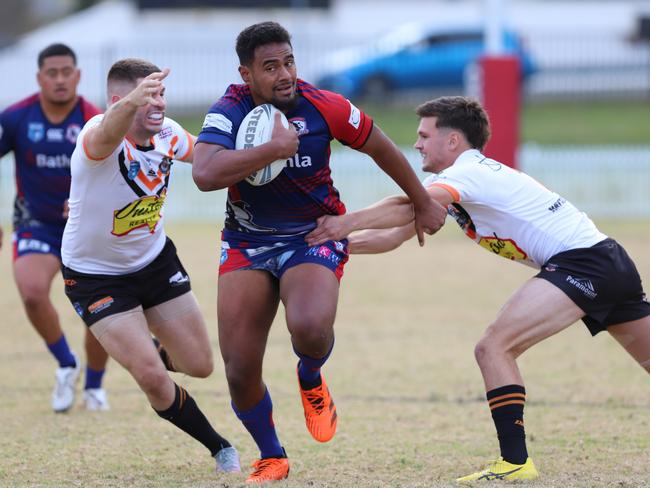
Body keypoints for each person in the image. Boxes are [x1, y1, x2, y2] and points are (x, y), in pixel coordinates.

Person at [305, 95, 650, 483]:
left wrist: (343, 223)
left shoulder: (467, 173)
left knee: (493, 347)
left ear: (453, 141)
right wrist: (325, 244)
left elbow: (406, 207)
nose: (416, 144)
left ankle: (515, 463)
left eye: (424, 135)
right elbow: (398, 233)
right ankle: (515, 462)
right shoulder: (458, 183)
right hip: (608, 261)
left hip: (584, 263)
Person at [192, 21, 446, 483]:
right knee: (240, 368)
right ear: (246, 74)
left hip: (311, 236)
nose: (284, 74)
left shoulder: (322, 105)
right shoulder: (229, 109)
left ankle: (310, 375)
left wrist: (423, 200)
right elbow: (205, 174)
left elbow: (380, 145)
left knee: (309, 328)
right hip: (247, 243)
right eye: (270, 67)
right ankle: (273, 455)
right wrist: (272, 149)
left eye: (289, 62)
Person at [60, 58, 240, 473]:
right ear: (119, 101)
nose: (158, 103)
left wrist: (261, 154)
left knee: (200, 365)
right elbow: (106, 131)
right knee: (153, 378)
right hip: (94, 277)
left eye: (161, 93)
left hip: (154, 263)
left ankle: (147, 348)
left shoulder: (170, 135)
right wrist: (127, 107)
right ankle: (219, 447)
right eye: (147, 96)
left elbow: (212, 159)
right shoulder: (98, 135)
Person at [0, 43, 110, 412]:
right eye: (53, 73)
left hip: (85, 228)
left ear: (78, 76)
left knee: (99, 309)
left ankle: (94, 386)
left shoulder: (96, 120)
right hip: (35, 225)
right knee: (31, 292)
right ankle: (66, 364)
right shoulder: (15, 118)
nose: (60, 79)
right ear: (40, 77)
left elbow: (118, 176)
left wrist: (90, 202)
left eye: (67, 72)